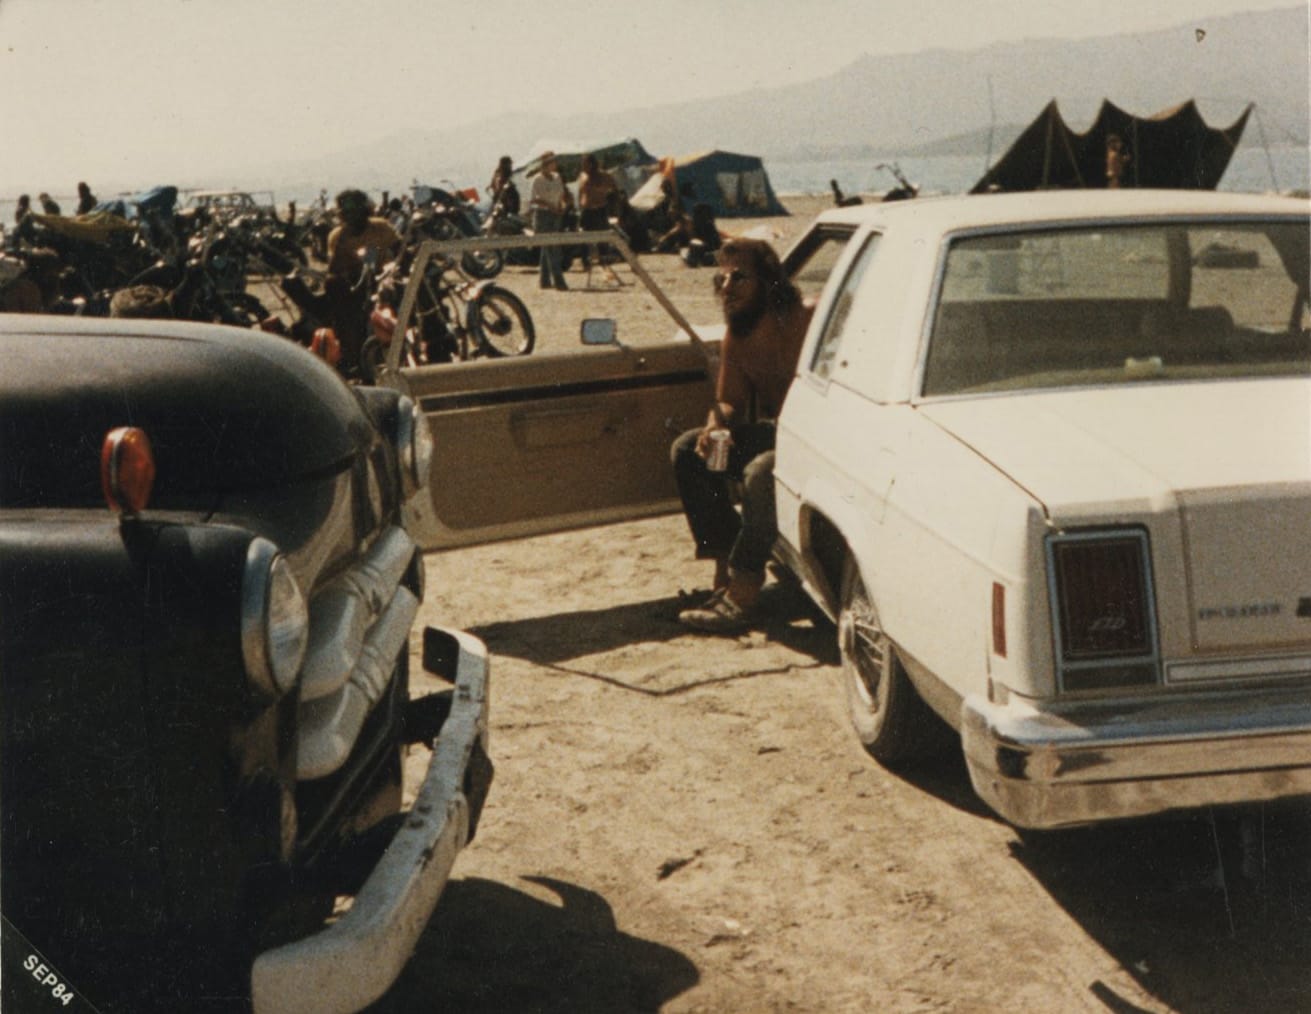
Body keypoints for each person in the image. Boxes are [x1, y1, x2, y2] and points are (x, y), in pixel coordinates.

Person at [671, 238, 815, 633]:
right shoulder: (738, 335)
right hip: (780, 435)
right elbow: (730, 400)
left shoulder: (809, 319)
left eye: (739, 277)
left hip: (821, 437)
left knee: (760, 474)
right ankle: (724, 567)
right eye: (721, 278)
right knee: (691, 452)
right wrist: (716, 426)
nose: (727, 287)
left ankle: (745, 591)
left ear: (768, 281)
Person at [324, 188, 401, 374]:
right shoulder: (337, 236)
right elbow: (334, 269)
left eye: (357, 212)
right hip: (356, 285)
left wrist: (394, 269)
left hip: (385, 279)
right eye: (348, 214)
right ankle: (351, 355)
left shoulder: (381, 227)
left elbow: (400, 251)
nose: (354, 218)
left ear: (366, 211)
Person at [528, 151, 568, 290]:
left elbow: (561, 193)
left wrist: (562, 205)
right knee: (552, 248)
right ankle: (559, 281)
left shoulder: (557, 177)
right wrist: (549, 205)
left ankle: (544, 280)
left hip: (555, 214)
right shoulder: (537, 179)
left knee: (548, 247)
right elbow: (534, 198)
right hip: (543, 214)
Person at [576, 153, 619, 280]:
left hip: (599, 209)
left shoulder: (604, 176)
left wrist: (613, 207)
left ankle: (604, 263)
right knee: (583, 237)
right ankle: (586, 262)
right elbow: (580, 193)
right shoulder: (582, 176)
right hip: (586, 210)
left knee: (602, 239)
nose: (584, 167)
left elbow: (614, 190)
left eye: (586, 164)